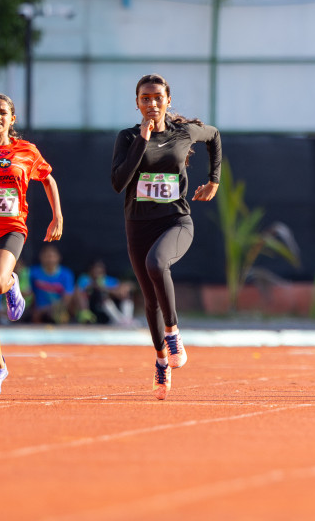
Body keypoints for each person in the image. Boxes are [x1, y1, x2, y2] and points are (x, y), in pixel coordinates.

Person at [111, 73, 221, 400]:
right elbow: (118, 183)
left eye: (157, 97)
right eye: (145, 98)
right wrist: (141, 142)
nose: (152, 104)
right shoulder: (129, 138)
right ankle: (161, 360)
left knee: (157, 264)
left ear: (167, 101)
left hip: (176, 221)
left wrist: (213, 180)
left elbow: (213, 136)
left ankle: (173, 334)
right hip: (138, 224)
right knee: (149, 300)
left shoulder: (183, 132)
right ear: (137, 103)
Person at [0, 93, 64, 395]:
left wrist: (57, 216)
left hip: (11, 228)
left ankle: (11, 280)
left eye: (3, 112)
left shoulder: (26, 151)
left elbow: (48, 179)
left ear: (11, 119)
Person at [27, 245, 76, 324]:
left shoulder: (66, 274)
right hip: (37, 312)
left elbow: (68, 296)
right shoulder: (33, 272)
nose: (50, 259)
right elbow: (28, 292)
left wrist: (53, 308)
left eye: (52, 256)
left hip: (58, 311)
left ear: (58, 257)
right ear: (41, 257)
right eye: (47, 256)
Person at [77, 260, 134, 325]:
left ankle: (127, 320)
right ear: (91, 270)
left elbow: (121, 289)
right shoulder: (85, 279)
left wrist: (122, 289)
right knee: (103, 295)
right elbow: (81, 292)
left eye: (100, 270)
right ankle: (120, 321)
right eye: (96, 269)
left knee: (125, 295)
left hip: (109, 307)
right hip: (93, 308)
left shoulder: (109, 280)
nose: (98, 272)